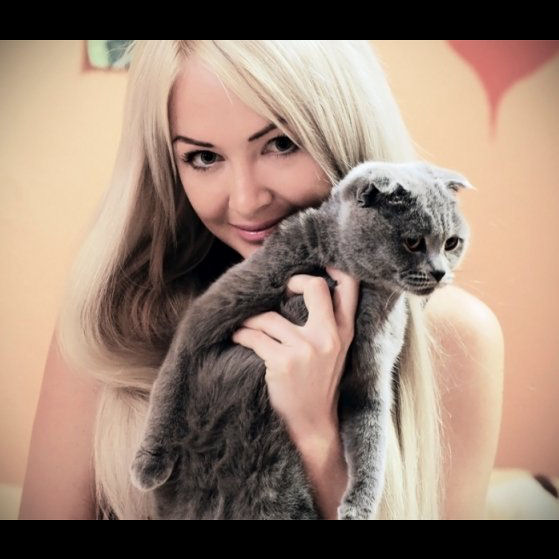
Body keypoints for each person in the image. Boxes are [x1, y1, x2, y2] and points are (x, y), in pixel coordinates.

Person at [18, 40, 504, 520]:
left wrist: (316, 437)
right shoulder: (110, 323)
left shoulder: (454, 336)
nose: (247, 201)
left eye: (281, 144)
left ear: (346, 131)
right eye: (203, 157)